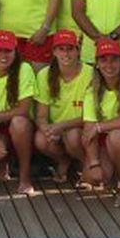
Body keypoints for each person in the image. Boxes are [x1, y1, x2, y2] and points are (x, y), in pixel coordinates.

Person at [81, 38, 120, 204]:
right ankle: (118, 172)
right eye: (103, 59)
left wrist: (100, 126)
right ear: (96, 64)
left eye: (114, 59)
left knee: (117, 136)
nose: (109, 65)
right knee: (92, 177)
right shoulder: (91, 90)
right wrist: (94, 163)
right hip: (109, 141)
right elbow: (89, 130)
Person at [0, 30, 38, 195]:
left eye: (8, 51)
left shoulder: (24, 69)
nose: (3, 55)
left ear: (15, 52)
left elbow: (24, 110)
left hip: (21, 125)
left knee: (19, 123)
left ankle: (25, 178)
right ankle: (3, 165)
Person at [33, 29, 92, 182]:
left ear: (78, 50)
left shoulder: (90, 74)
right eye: (61, 49)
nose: (66, 54)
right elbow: (40, 115)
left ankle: (84, 164)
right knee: (40, 139)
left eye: (70, 49)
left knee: (73, 136)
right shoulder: (44, 75)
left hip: (81, 129)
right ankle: (63, 159)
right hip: (57, 129)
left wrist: (62, 126)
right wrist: (45, 128)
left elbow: (92, 117)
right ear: (54, 51)